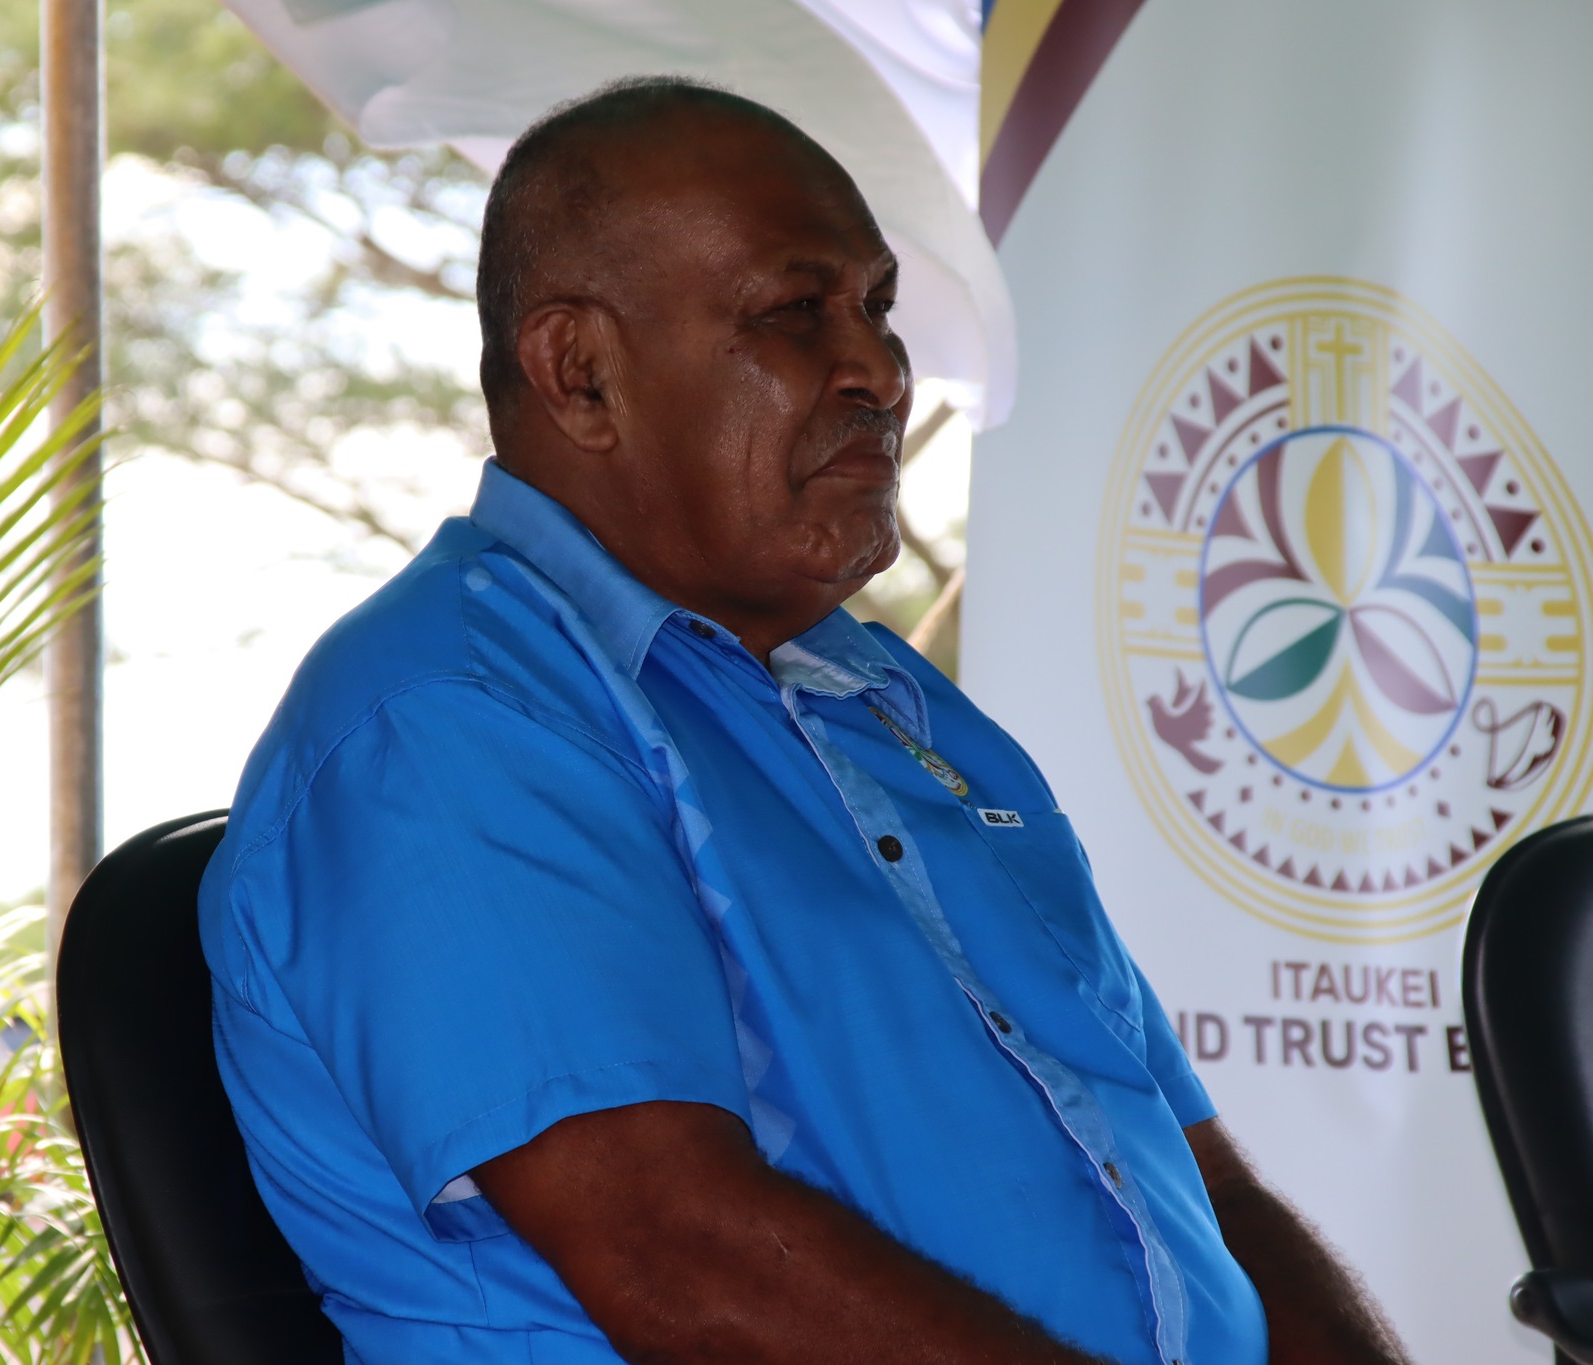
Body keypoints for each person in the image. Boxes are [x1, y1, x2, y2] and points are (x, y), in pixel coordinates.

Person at [197, 77, 1415, 1365]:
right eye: (794, 312)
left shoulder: (893, 704)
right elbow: (685, 1262)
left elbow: (1199, 1183)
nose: (880, 370)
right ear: (580, 373)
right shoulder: (450, 721)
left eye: (877, 307)